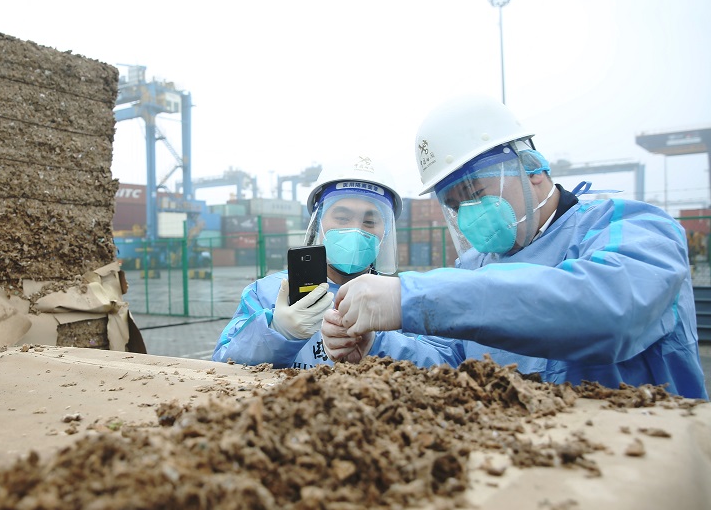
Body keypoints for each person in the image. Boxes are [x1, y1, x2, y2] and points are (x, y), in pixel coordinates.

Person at [323, 95, 708, 399]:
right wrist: (377, 344)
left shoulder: (633, 227)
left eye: (476, 192)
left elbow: (610, 308)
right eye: (455, 204)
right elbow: (454, 361)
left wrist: (408, 297)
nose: (468, 212)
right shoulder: (474, 268)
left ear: (534, 169)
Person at [212, 154, 451, 369]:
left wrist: (378, 343)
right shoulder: (266, 293)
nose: (356, 230)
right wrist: (277, 332)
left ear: (386, 231)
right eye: (342, 217)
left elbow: (444, 365)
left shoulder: (402, 301)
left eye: (370, 222)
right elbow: (222, 365)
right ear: (319, 223)